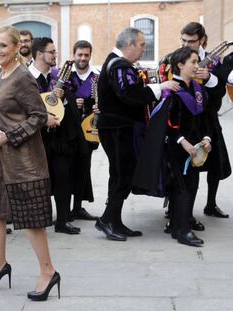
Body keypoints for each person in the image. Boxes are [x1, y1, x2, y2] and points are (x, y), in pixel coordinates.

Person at [0, 26, 60, 301]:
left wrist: (8, 136)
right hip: (3, 157)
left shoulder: (22, 77)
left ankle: (48, 272)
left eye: (3, 46)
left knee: (31, 219)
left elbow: (38, 116)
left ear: (15, 48)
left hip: (25, 160)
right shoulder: (2, 73)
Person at [95, 27, 179, 241]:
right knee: (121, 174)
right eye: (141, 45)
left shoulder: (119, 63)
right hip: (117, 129)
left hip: (119, 128)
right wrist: (161, 87)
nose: (144, 49)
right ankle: (107, 220)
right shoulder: (119, 64)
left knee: (123, 174)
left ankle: (114, 220)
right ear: (130, 45)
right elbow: (129, 94)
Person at [134, 47, 220, 246]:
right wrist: (183, 141)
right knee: (182, 188)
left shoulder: (199, 90)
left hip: (197, 148)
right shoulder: (172, 91)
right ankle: (182, 230)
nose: (197, 66)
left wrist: (207, 138)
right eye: (193, 62)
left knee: (191, 185)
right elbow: (169, 123)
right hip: (177, 148)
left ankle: (176, 225)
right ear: (180, 65)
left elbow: (206, 118)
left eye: (198, 62)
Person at [28, 37, 82, 235]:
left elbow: (72, 102)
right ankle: (38, 220)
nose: (55, 55)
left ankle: (63, 220)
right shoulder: (26, 77)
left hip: (59, 137)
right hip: (35, 136)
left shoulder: (59, 76)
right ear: (40, 53)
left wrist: (63, 99)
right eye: (52, 52)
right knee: (38, 180)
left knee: (63, 176)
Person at [179, 22, 231, 221]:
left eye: (191, 41)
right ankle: (175, 204)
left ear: (201, 40)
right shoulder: (176, 57)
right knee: (178, 164)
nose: (186, 45)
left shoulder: (215, 61)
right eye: (183, 40)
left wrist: (209, 77)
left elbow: (220, 92)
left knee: (215, 163)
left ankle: (211, 203)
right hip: (183, 117)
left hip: (208, 117)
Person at [68, 40, 99, 221]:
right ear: (74, 54)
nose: (83, 58)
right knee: (66, 168)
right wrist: (73, 101)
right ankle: (65, 208)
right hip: (67, 130)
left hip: (88, 130)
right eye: (80, 54)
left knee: (83, 168)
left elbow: (102, 100)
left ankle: (78, 207)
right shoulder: (64, 75)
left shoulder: (97, 77)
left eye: (86, 55)